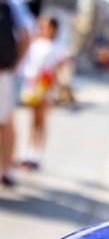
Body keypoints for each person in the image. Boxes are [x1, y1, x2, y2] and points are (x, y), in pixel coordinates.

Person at [20, 16, 66, 169]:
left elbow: (59, 69)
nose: (42, 29)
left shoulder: (57, 47)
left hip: (45, 86)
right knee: (32, 121)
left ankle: (36, 155)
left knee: (41, 121)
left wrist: (55, 88)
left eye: (45, 26)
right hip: (32, 86)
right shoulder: (35, 44)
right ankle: (27, 152)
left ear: (53, 29)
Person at [0, 0, 33, 186]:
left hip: (4, 71)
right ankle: (7, 168)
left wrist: (14, 66)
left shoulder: (10, 0)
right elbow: (27, 34)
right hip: (4, 70)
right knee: (5, 121)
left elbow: (26, 35)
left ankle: (7, 167)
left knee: (5, 121)